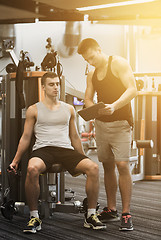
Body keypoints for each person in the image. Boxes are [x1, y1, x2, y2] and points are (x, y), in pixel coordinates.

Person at [8, 72, 106, 233]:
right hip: (43, 149)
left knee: (93, 168)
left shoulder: (69, 109)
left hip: (65, 149)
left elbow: (74, 136)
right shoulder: (34, 109)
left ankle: (91, 215)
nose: (55, 87)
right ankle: (34, 216)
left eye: (57, 84)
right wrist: (15, 160)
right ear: (44, 87)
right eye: (51, 84)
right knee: (32, 169)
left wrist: (82, 157)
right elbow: (26, 137)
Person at [77, 38, 137, 231]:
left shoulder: (118, 63)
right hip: (102, 124)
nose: (91, 62)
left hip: (121, 123)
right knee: (108, 165)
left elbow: (132, 89)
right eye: (87, 60)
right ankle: (111, 208)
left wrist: (114, 106)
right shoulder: (92, 73)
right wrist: (93, 109)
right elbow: (87, 97)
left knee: (122, 164)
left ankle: (126, 213)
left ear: (99, 50)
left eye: (92, 57)